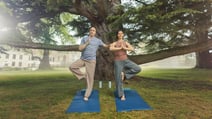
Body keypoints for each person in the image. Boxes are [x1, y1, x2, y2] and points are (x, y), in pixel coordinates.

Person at [69, 27, 108, 101]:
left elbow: (105, 46)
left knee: (90, 79)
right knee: (72, 67)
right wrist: (86, 43)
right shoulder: (84, 38)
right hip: (83, 59)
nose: (92, 31)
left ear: (95, 32)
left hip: (91, 61)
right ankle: (83, 76)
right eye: (91, 30)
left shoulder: (98, 41)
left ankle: (86, 95)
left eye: (94, 30)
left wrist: (112, 45)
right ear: (89, 31)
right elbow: (80, 49)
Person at [109, 30, 141, 101]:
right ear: (117, 35)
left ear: (123, 35)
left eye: (121, 33)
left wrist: (125, 48)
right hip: (117, 61)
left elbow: (132, 48)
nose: (120, 34)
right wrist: (120, 48)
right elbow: (111, 48)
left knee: (137, 68)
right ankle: (121, 95)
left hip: (126, 60)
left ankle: (125, 75)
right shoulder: (115, 43)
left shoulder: (125, 42)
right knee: (118, 78)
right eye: (118, 33)